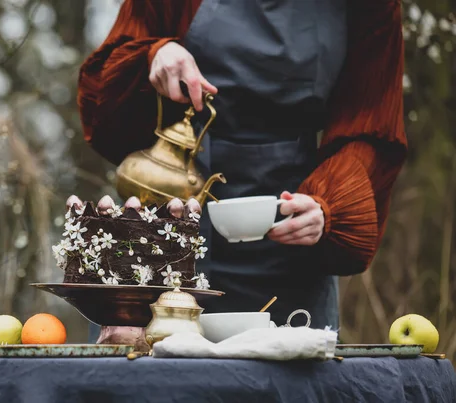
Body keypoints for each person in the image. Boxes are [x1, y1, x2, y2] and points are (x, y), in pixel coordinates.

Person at [73, 0, 408, 332]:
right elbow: (100, 85)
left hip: (289, 230)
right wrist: (152, 55)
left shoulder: (371, 7)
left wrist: (329, 207)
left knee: (284, 379)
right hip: (162, 219)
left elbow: (372, 124)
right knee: (142, 377)